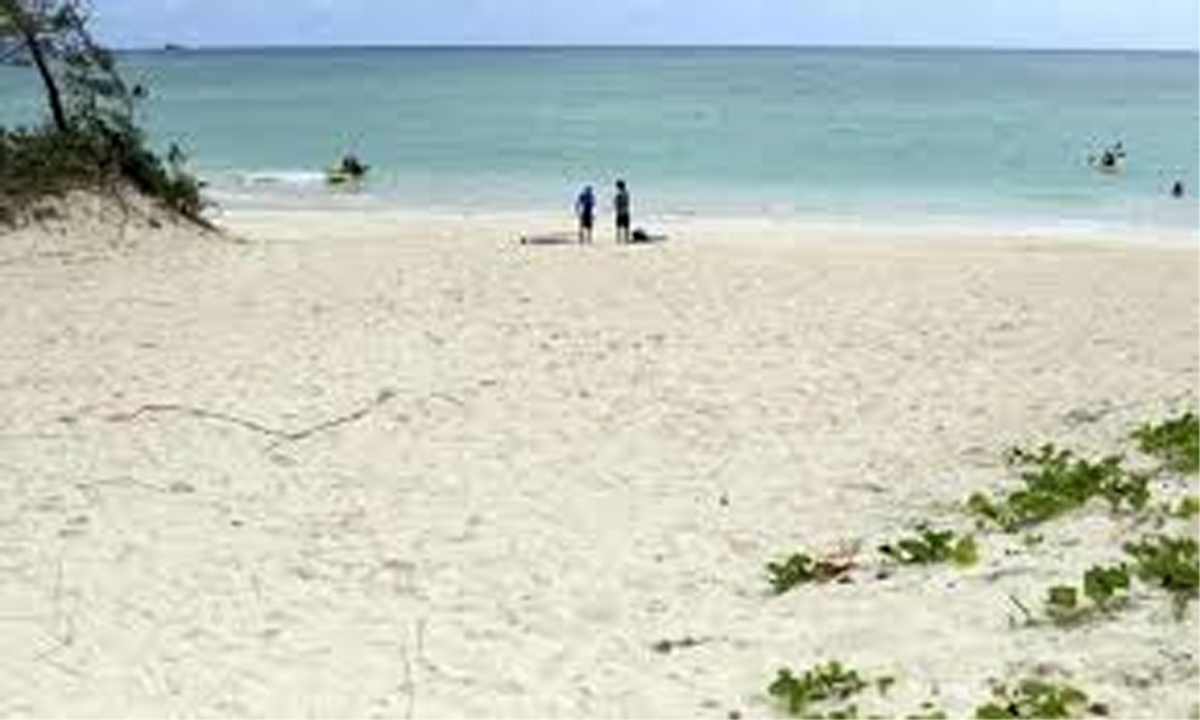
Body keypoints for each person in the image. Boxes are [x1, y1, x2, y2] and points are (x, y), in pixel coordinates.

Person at [614, 179, 632, 244]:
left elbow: (617, 203)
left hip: (620, 212)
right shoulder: (626, 193)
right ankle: (626, 239)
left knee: (618, 227)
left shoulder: (619, 194)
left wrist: (618, 209)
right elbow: (627, 203)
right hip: (626, 211)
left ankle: (619, 239)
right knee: (626, 227)